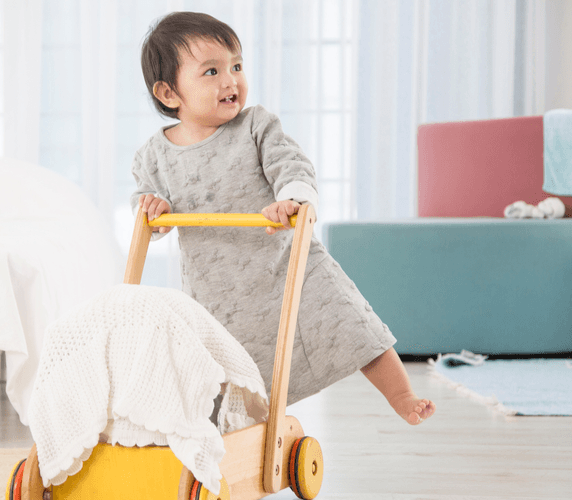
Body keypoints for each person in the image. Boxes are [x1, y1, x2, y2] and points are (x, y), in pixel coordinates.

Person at [131, 11, 435, 424]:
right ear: (169, 94)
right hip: (222, 290)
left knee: (351, 322)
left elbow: (292, 166)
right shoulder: (154, 155)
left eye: (236, 66)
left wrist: (289, 200)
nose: (230, 81)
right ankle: (221, 435)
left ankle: (401, 395)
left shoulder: (255, 125)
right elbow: (149, 209)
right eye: (212, 71)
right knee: (222, 367)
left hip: (288, 264)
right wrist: (155, 211)